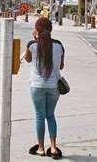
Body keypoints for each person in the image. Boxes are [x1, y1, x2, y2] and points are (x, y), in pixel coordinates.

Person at [25, 18, 64, 159]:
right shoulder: (59, 45)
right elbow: (61, 66)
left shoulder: (32, 45)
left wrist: (34, 39)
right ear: (51, 29)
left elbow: (28, 60)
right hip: (54, 86)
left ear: (37, 30)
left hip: (37, 86)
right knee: (50, 115)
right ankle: (53, 147)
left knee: (39, 116)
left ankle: (40, 148)